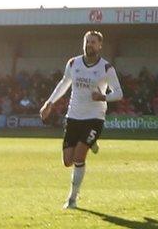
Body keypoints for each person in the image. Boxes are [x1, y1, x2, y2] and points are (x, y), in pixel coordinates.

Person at [39, 30, 123, 209]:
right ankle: (91, 143)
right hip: (73, 116)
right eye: (87, 41)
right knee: (67, 161)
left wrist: (103, 97)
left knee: (78, 157)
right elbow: (64, 83)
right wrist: (49, 103)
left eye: (93, 42)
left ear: (100, 46)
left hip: (94, 118)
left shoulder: (106, 68)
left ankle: (72, 198)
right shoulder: (73, 63)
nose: (89, 44)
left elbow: (119, 93)